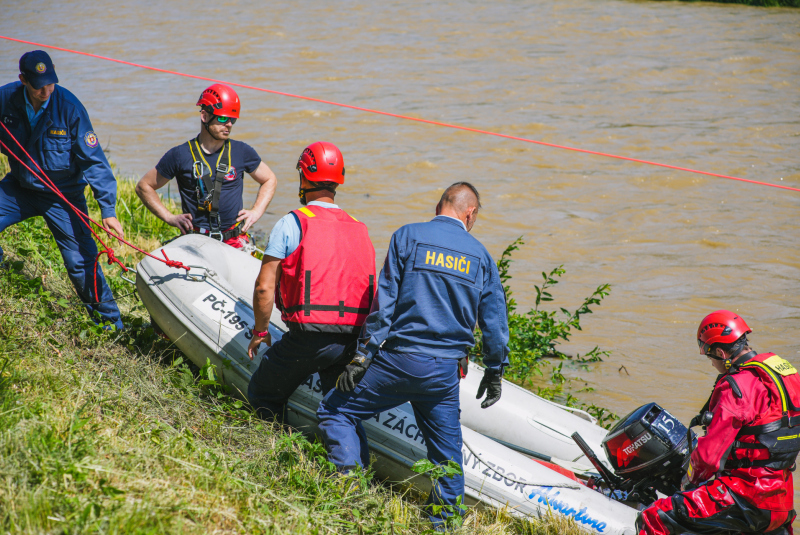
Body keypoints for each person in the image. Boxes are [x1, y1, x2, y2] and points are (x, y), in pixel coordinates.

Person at [316, 182, 510, 529]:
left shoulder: (408, 236)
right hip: (444, 375)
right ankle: (445, 524)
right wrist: (495, 371)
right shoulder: (481, 256)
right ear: (470, 213)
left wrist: (362, 357)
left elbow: (384, 302)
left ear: (440, 206)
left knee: (335, 412)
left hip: (397, 361)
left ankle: (350, 490)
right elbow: (494, 320)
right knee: (447, 456)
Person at [246, 142, 374, 462]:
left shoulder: (293, 222)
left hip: (309, 338)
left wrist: (261, 332)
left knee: (264, 392)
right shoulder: (360, 228)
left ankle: (278, 458)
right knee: (342, 414)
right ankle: (358, 479)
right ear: (337, 181)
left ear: (304, 177)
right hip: (352, 342)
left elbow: (264, 287)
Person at [637, 310, 799, 535]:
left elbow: (708, 458)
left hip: (744, 496)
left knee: (654, 518)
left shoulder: (734, 386)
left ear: (721, 353)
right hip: (781, 502)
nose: (712, 364)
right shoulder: (785, 374)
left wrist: (688, 482)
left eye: (710, 358)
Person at [0, 50, 123, 329]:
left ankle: (110, 324)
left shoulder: (69, 107)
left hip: (63, 196)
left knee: (80, 261)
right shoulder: (5, 99)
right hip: (20, 188)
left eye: (51, 82)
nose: (46, 90)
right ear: (22, 80)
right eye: (39, 85)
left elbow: (94, 162)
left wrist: (108, 210)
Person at [135, 84, 276, 249]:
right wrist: (170, 218)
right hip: (195, 242)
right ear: (204, 116)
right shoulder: (180, 155)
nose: (229, 124)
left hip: (234, 241)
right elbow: (144, 186)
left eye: (233, 119)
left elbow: (269, 179)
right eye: (223, 119)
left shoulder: (242, 151)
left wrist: (256, 212)